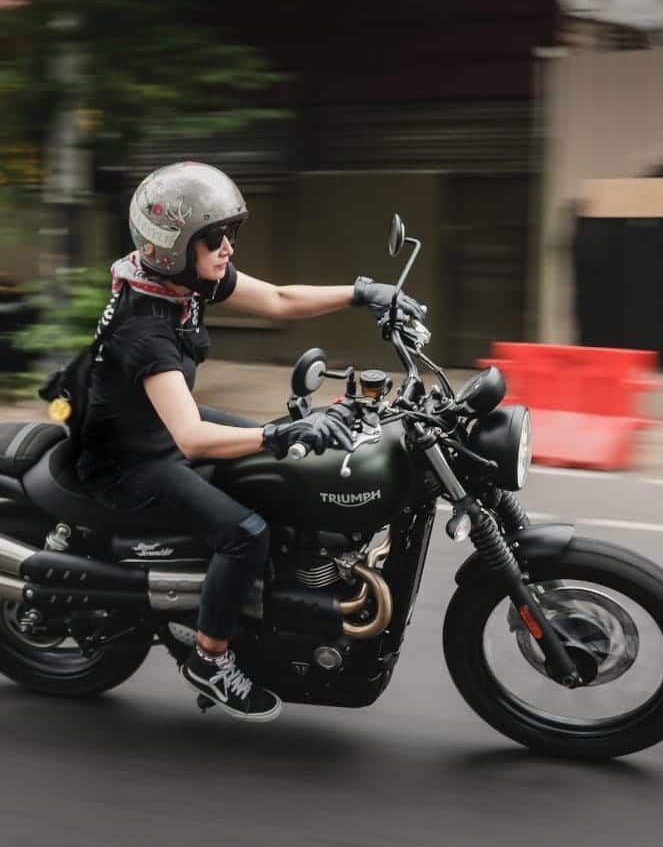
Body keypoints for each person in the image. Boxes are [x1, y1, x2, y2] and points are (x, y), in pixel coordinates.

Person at [76, 161, 425, 722]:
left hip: (155, 424)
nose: (228, 248)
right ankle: (210, 658)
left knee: (277, 464)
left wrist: (365, 293)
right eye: (214, 238)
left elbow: (281, 300)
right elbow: (190, 438)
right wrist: (278, 430)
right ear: (173, 246)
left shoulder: (181, 282)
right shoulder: (145, 326)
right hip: (129, 458)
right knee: (245, 532)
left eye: (230, 233)